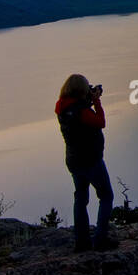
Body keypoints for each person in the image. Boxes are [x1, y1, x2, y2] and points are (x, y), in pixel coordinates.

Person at [55, 74, 115, 251]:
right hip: (91, 160)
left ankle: (81, 242)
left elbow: (77, 115)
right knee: (106, 196)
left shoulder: (62, 108)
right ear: (81, 90)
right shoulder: (82, 111)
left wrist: (89, 100)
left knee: (81, 199)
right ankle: (100, 240)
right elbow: (100, 122)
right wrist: (96, 101)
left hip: (74, 161)